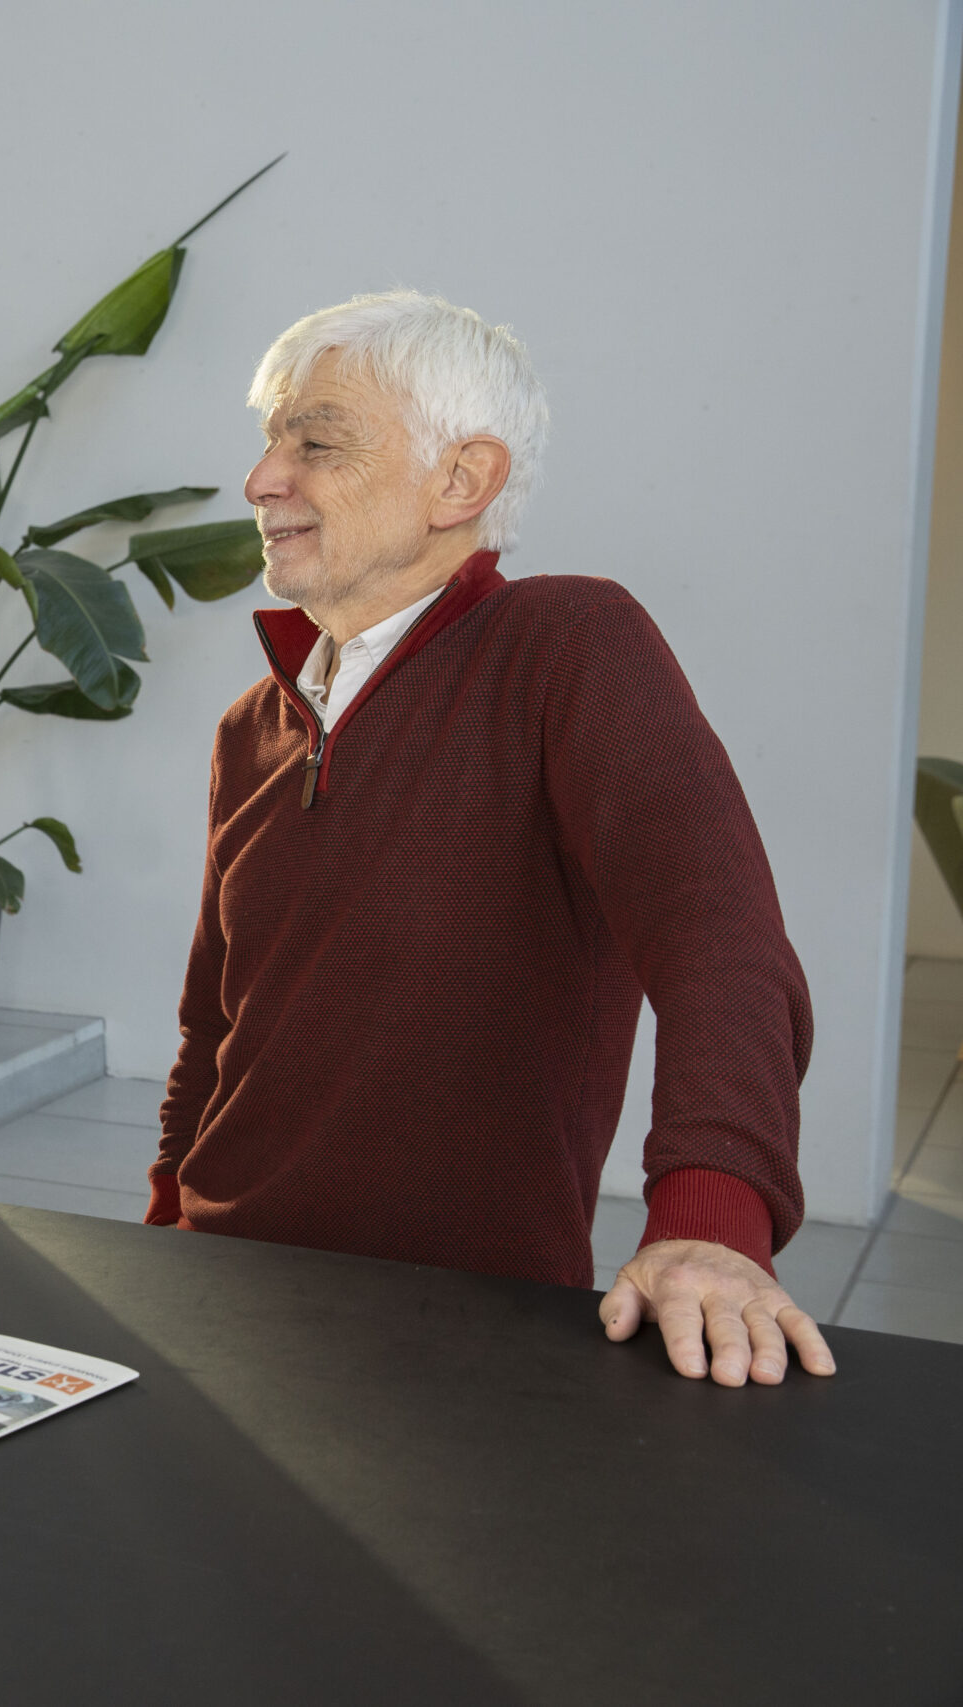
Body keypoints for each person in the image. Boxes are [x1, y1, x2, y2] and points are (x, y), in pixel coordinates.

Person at [155, 289, 834, 1390]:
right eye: (268, 439)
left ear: (461, 481)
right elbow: (213, 1025)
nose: (262, 478)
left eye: (314, 440)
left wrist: (711, 1217)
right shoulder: (252, 726)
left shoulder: (567, 644)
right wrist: (162, 1224)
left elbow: (720, 938)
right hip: (222, 1286)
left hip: (470, 1325)